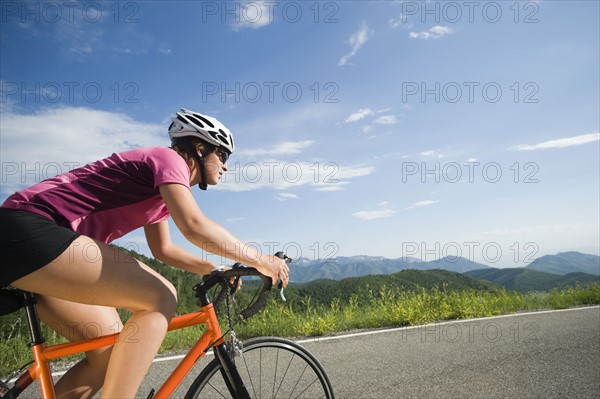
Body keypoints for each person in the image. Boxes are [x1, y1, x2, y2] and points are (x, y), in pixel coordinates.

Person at [0, 108, 290, 398]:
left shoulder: (158, 193)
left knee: (108, 353)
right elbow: (194, 226)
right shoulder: (168, 159)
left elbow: (164, 250)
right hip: (29, 228)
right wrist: (262, 260)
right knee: (160, 296)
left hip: (38, 248)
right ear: (200, 149)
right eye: (223, 156)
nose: (225, 167)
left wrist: (215, 269)